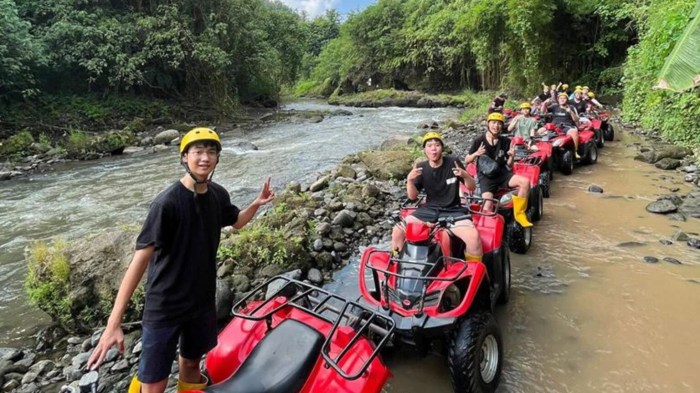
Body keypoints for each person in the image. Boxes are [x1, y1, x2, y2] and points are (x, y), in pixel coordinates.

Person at [86, 128, 276, 393]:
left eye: (211, 152)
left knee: (191, 365)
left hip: (200, 302)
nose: (205, 158)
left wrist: (257, 203)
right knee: (154, 382)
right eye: (197, 152)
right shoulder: (167, 204)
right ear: (185, 158)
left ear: (217, 159)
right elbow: (139, 262)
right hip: (165, 305)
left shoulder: (218, 195)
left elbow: (238, 223)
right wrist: (113, 323)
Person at [390, 132, 482, 261]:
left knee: (473, 238)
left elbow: (471, 187)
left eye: (437, 145)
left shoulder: (453, 162)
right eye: (429, 145)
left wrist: (465, 175)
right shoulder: (421, 167)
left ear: (442, 148)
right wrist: (409, 181)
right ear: (424, 150)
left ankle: (473, 274)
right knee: (397, 230)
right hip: (429, 210)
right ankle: (397, 266)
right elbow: (412, 196)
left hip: (453, 210)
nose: (433, 149)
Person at [465, 113, 533, 228]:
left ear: (502, 126)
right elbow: (467, 160)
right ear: (488, 124)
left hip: (502, 173)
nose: (496, 126)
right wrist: (476, 153)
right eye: (493, 123)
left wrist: (512, 156)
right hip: (486, 177)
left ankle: (520, 213)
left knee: (525, 182)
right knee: (488, 205)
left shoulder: (505, 141)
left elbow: (509, 165)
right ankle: (487, 229)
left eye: (499, 124)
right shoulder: (479, 140)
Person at [541, 93, 581, 159]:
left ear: (567, 100)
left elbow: (576, 119)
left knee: (574, 132)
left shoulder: (571, 107)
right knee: (539, 131)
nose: (562, 100)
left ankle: (575, 151)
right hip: (554, 126)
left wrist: (570, 112)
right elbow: (543, 111)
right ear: (558, 100)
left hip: (567, 126)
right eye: (560, 98)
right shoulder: (554, 106)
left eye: (564, 98)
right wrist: (544, 104)